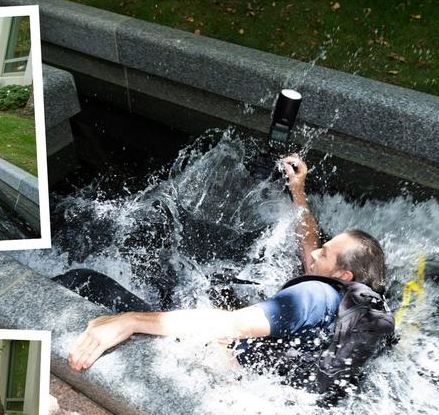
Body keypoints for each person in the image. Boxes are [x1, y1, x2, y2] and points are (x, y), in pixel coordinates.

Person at [67, 155, 388, 390]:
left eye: (326, 252)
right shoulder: (354, 303)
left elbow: (230, 324)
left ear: (344, 275)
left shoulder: (311, 295)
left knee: (88, 281)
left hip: (223, 375)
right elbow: (310, 248)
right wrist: (297, 190)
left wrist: (130, 321)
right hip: (275, 388)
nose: (316, 252)